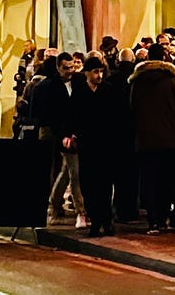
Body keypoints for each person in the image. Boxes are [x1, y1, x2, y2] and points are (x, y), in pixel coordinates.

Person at [127, 40, 175, 234]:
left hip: (145, 139)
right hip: (170, 138)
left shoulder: (137, 81)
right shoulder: (172, 80)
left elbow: (132, 109)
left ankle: (152, 220)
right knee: (167, 180)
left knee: (148, 179)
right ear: (164, 57)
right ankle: (163, 219)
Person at [74, 54, 126, 238]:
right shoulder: (80, 93)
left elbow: (117, 118)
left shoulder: (109, 91)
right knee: (89, 185)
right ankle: (95, 220)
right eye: (95, 72)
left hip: (106, 145)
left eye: (101, 71)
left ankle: (106, 220)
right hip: (87, 146)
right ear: (87, 73)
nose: (99, 75)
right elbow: (74, 117)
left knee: (105, 185)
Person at [32, 51, 85, 225]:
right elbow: (50, 113)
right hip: (55, 132)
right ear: (58, 67)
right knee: (69, 170)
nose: (69, 71)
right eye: (66, 68)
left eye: (72, 67)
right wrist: (62, 135)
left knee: (66, 170)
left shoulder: (79, 82)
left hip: (72, 132)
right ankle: (80, 211)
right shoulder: (49, 86)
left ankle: (54, 203)